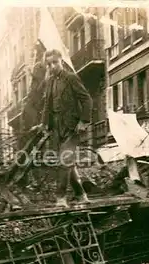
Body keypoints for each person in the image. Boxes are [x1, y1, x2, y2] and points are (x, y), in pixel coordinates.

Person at [40, 49, 93, 207]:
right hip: (56, 127)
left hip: (72, 127)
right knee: (67, 162)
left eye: (55, 62)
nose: (52, 66)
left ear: (61, 61)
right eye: (49, 64)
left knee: (64, 161)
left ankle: (61, 198)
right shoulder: (50, 82)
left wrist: (84, 121)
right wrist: (44, 124)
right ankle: (81, 195)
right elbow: (47, 105)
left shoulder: (70, 78)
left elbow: (87, 99)